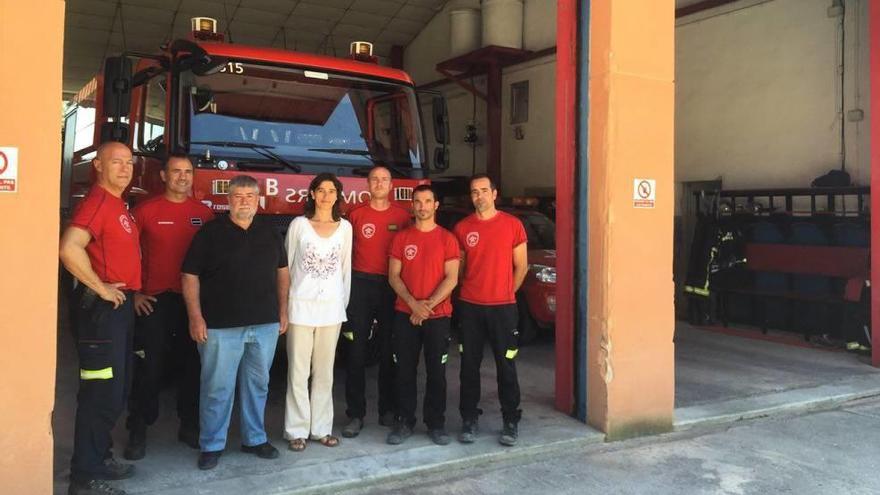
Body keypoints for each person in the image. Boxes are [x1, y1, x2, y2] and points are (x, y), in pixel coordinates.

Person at [181, 175, 289, 470]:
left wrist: (283, 311)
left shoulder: (269, 233)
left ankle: (255, 438)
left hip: (264, 325)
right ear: (228, 200)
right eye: (238, 196)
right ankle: (212, 444)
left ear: (258, 201)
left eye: (250, 196)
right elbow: (190, 276)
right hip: (219, 327)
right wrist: (195, 317)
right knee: (217, 387)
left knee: (259, 385)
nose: (244, 201)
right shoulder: (209, 234)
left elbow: (282, 272)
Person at [59, 141, 140, 495]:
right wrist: (102, 288)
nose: (125, 168)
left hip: (117, 313)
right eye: (116, 162)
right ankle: (84, 477)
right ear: (98, 166)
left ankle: (100, 458)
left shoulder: (117, 204)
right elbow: (68, 248)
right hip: (100, 316)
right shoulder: (97, 203)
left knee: (115, 390)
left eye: (129, 163)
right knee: (100, 394)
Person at [123, 154, 214, 460]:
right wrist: (134, 294)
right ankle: (138, 429)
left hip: (190, 303)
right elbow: (128, 254)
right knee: (150, 369)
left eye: (188, 172)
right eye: (176, 171)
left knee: (193, 366)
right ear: (163, 176)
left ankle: (188, 426)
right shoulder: (145, 211)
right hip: (153, 302)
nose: (182, 177)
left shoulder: (204, 214)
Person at [453, 173, 529, 446]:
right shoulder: (462, 228)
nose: (479, 196)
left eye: (484, 190)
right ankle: (469, 420)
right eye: (474, 192)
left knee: (506, 366)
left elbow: (522, 266)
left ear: (494, 194)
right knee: (468, 367)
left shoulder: (513, 225)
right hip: (470, 308)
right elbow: (459, 271)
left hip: (503, 309)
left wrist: (508, 291)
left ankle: (510, 421)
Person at [385, 185, 460, 446]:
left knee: (436, 372)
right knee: (404, 371)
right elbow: (393, 276)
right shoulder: (401, 238)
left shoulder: (448, 239)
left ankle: (436, 424)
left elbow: (452, 278)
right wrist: (412, 304)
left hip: (438, 318)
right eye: (418, 201)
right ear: (412, 205)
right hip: (405, 315)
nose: (422, 206)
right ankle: (404, 421)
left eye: (428, 201)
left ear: (436, 205)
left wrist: (425, 307)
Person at [284, 173, 352, 452]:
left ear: (338, 195)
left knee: (325, 372)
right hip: (300, 307)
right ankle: (296, 429)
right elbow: (287, 267)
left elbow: (345, 269)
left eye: (331, 190)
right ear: (312, 194)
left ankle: (321, 428)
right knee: (298, 372)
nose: (326, 195)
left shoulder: (345, 228)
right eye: (321, 190)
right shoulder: (299, 225)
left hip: (331, 310)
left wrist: (341, 305)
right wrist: (285, 307)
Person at [341, 166, 411, 438]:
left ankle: (387, 410)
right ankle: (355, 414)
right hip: (359, 285)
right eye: (374, 179)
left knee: (388, 351)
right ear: (367, 184)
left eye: (384, 179)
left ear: (391, 184)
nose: (379, 183)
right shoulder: (355, 215)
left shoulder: (403, 216)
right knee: (355, 352)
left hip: (391, 286)